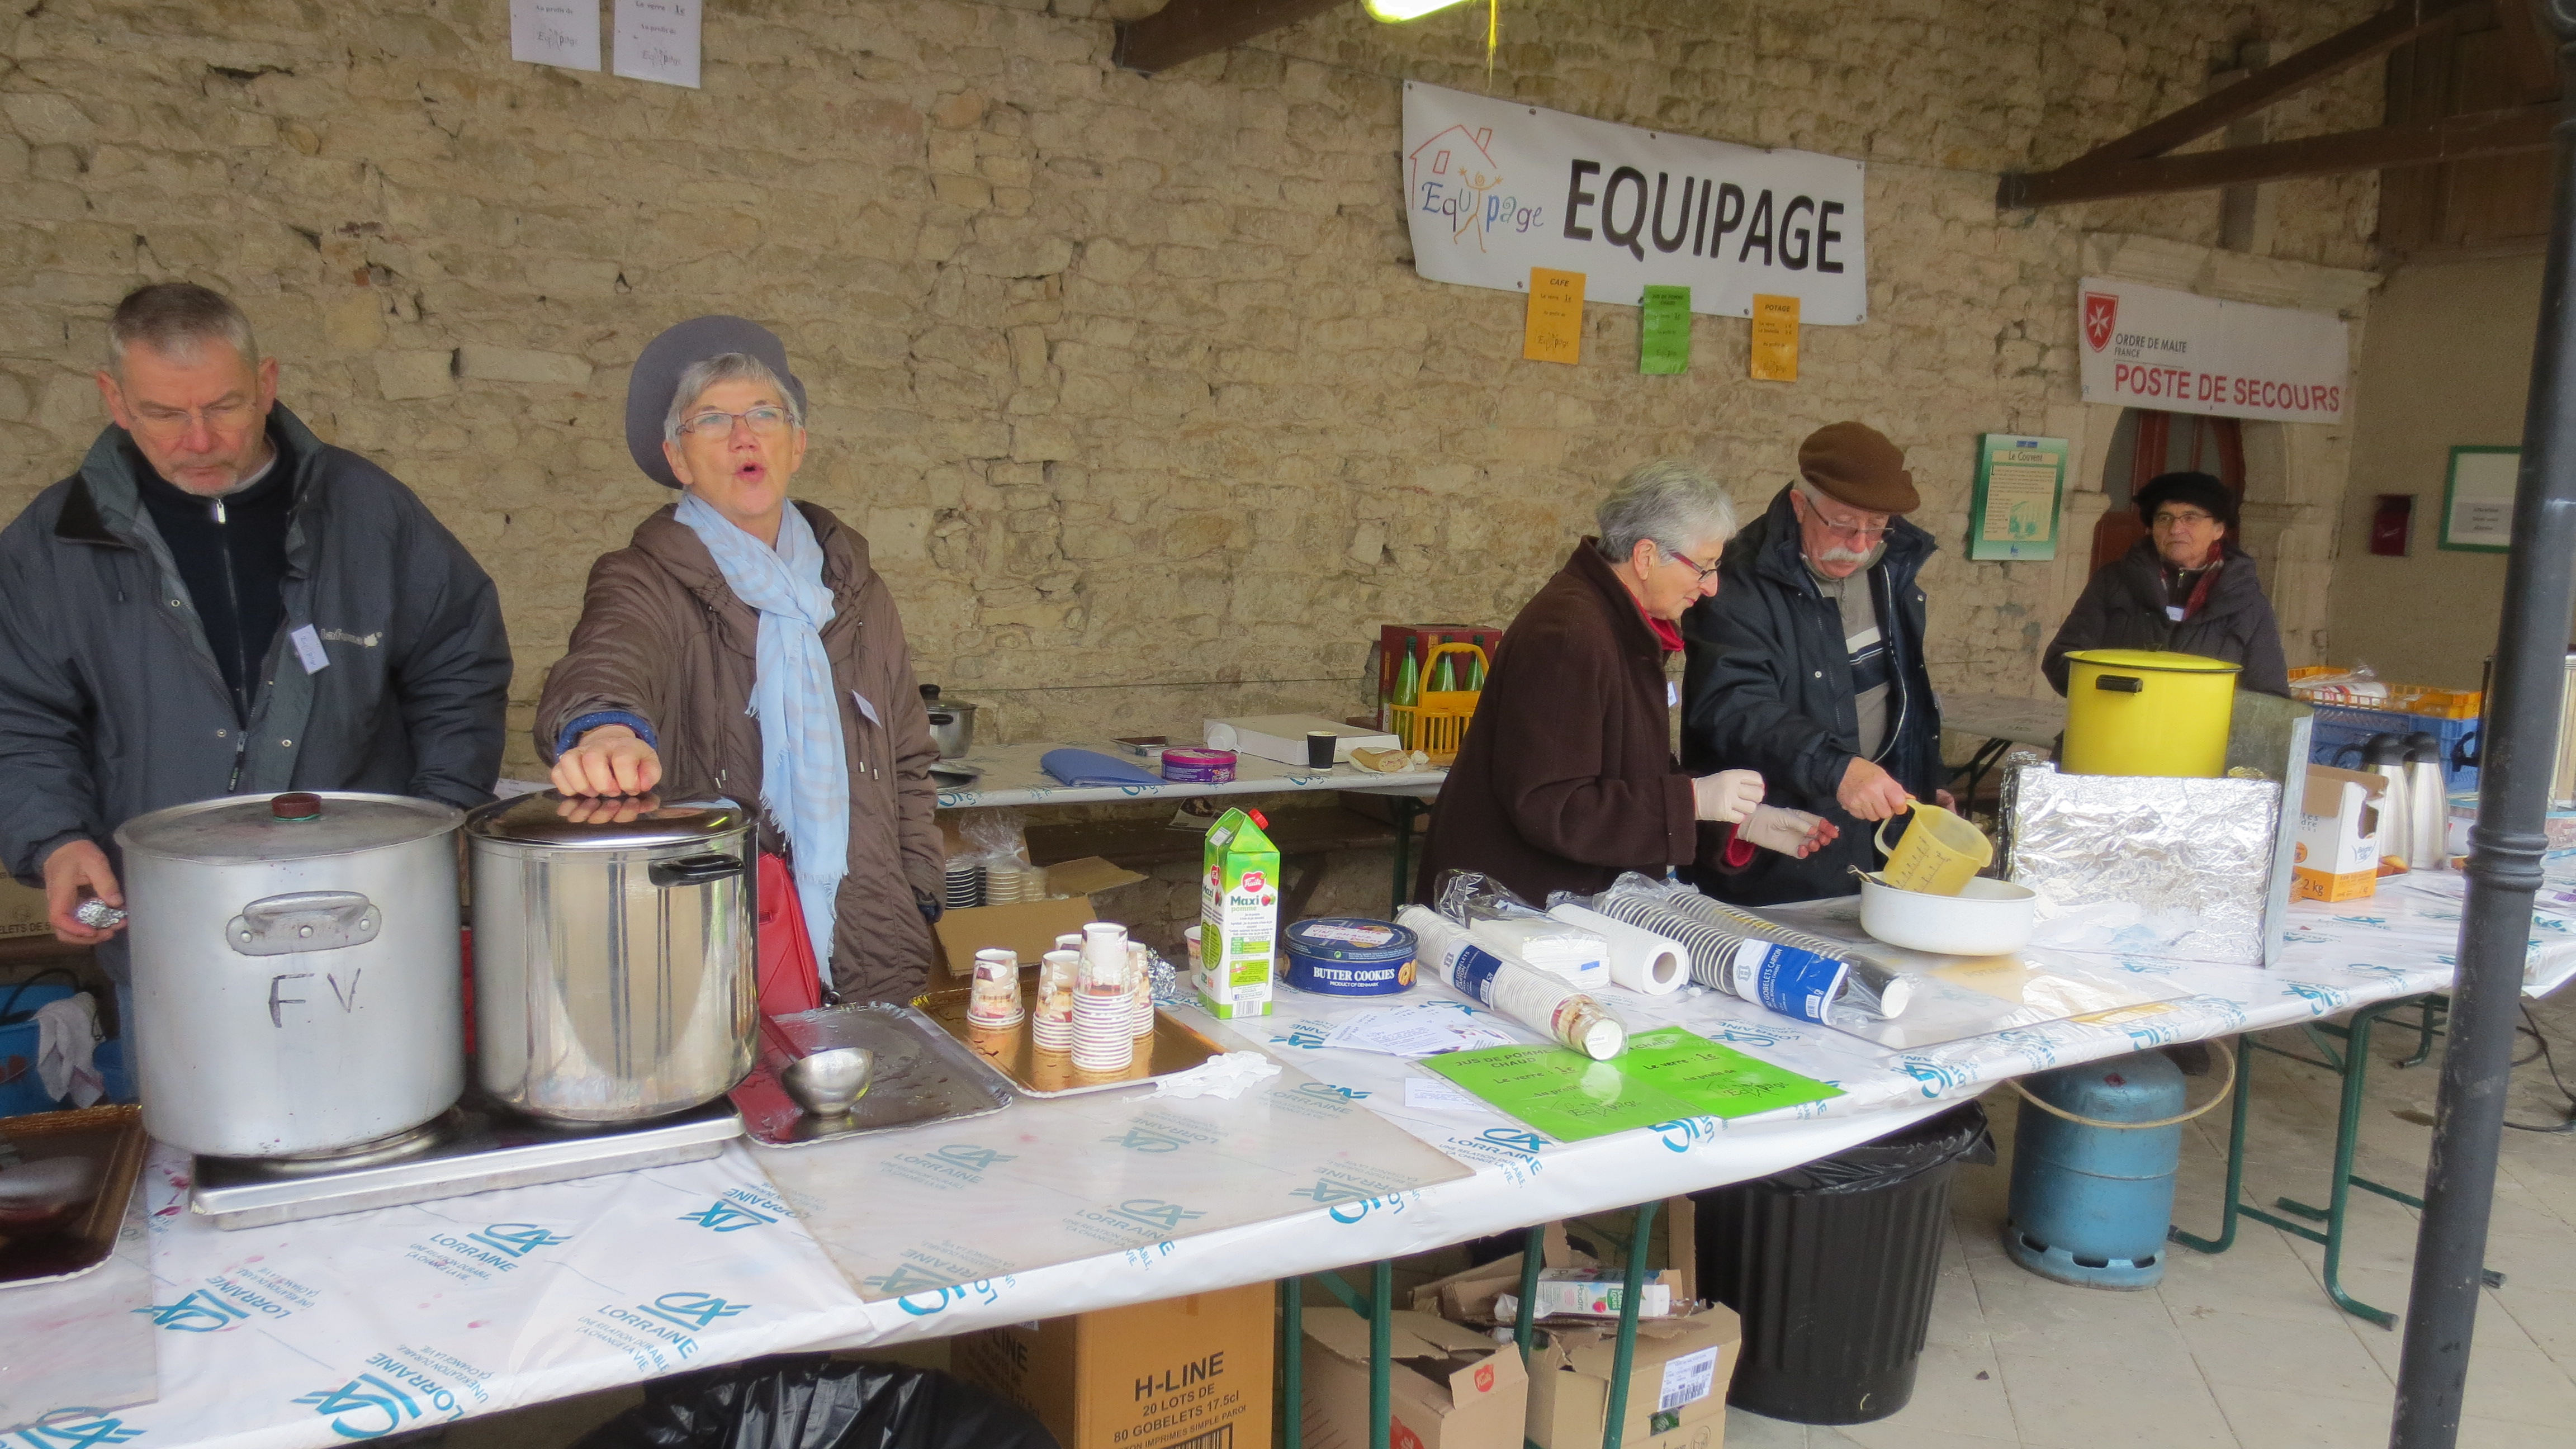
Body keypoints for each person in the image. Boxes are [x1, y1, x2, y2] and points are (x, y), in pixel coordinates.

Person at [0, 282, 512, 991]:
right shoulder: (56, 543)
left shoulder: (367, 510)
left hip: (368, 920)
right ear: (114, 401)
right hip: (169, 932)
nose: (199, 438)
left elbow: (460, 662)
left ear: (265, 385)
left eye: (223, 406)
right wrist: (56, 841)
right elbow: (18, 715)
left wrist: (438, 817)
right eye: (163, 413)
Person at [537, 316, 944, 1004]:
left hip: (873, 931)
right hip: (718, 939)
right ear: (678, 459)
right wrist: (605, 727)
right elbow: (609, 653)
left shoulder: (856, 591)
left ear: (797, 445)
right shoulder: (644, 578)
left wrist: (921, 889)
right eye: (712, 420)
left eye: (764, 413)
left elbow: (907, 754)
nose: (743, 435)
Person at [1414, 460, 1834, 907]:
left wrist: (1737, 823)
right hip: (1510, 906)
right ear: (1646, 556)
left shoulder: (1620, 624)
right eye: (1704, 568)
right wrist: (1691, 800)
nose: (1711, 588)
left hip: (1557, 904)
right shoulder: (1570, 634)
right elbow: (1554, 806)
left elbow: (1630, 771)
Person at [1683, 422, 1947, 905]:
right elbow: (1733, 707)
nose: (1862, 543)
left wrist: (1925, 779)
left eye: (1877, 526)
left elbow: (1902, 687)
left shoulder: (1892, 568)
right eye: (1843, 524)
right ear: (1800, 505)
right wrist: (1838, 769)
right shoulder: (1737, 583)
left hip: (1883, 835)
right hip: (1783, 851)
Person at [2042, 471, 2290, 698]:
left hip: (2199, 742)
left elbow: (2268, 694)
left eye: (2190, 518)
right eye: (2164, 518)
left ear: (2218, 530)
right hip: (2113, 732)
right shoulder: (2114, 582)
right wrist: (2123, 688)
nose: (2176, 528)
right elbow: (2061, 660)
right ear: (2151, 529)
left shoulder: (2247, 602)